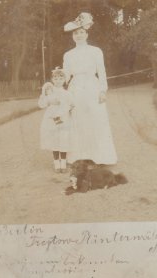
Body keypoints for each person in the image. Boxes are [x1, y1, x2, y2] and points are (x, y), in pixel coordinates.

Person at [63, 12, 117, 165]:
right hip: (75, 89)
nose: (78, 35)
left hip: (92, 87)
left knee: (96, 119)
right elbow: (66, 75)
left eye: (81, 32)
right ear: (72, 36)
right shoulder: (68, 55)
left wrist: (102, 90)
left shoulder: (95, 51)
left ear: (86, 34)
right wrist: (58, 89)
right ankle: (79, 156)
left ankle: (101, 156)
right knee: (77, 120)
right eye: (75, 33)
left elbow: (101, 72)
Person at [38, 67, 73, 173]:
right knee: (54, 140)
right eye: (56, 79)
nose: (58, 81)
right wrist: (47, 98)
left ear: (64, 80)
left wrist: (65, 108)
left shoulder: (67, 93)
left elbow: (71, 104)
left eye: (61, 79)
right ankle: (56, 164)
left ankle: (63, 164)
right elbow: (41, 104)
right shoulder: (50, 92)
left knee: (63, 139)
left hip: (63, 118)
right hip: (51, 119)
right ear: (53, 80)